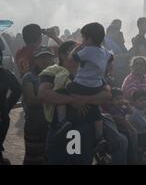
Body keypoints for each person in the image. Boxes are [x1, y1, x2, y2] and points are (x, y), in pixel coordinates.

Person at [38, 40, 112, 164]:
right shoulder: (53, 71)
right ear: (62, 55)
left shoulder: (88, 73)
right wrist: (72, 100)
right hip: (59, 129)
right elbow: (44, 94)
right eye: (74, 51)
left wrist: (85, 99)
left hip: (80, 130)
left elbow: (107, 94)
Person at [53, 23, 112, 153]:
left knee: (62, 92)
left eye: (83, 39)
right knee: (96, 114)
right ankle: (100, 137)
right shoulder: (103, 53)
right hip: (79, 125)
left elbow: (107, 95)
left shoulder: (85, 53)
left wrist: (82, 99)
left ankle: (62, 122)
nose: (82, 43)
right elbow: (111, 59)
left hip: (81, 126)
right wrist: (84, 100)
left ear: (89, 38)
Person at [22, 47, 55, 164]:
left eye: (48, 57)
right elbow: (31, 101)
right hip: (35, 126)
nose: (45, 60)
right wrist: (55, 98)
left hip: (52, 127)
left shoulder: (57, 76)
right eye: (41, 57)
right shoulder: (29, 77)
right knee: (33, 159)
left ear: (53, 60)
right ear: (35, 60)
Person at [102, 88, 139, 163]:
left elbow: (131, 111)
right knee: (128, 144)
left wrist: (127, 104)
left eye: (121, 98)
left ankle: (131, 159)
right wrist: (132, 128)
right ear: (111, 101)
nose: (120, 101)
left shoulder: (121, 107)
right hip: (118, 131)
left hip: (124, 130)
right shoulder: (112, 109)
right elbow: (122, 120)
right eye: (117, 99)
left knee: (131, 145)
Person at [0, 49, 21, 165]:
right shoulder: (4, 73)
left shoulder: (4, 73)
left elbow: (17, 90)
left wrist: (6, 107)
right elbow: (17, 90)